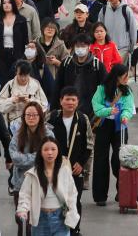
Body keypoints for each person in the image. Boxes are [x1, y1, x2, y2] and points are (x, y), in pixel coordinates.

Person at [46, 87, 92, 230]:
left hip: (74, 169)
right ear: (61, 101)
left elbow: (89, 144)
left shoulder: (83, 120)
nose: (70, 102)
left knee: (75, 200)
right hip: (54, 167)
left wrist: (81, 164)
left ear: (77, 102)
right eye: (67, 99)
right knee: (54, 198)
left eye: (73, 100)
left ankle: (75, 229)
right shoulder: (52, 117)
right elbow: (44, 141)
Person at [90, 63, 135, 206]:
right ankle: (100, 196)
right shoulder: (101, 89)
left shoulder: (126, 91)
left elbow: (129, 107)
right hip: (103, 126)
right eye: (125, 76)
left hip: (119, 127)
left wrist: (125, 115)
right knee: (100, 160)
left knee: (119, 159)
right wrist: (108, 111)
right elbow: (96, 107)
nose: (127, 79)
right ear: (117, 77)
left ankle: (122, 191)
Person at [16, 138, 80, 236]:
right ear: (40, 153)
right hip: (40, 220)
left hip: (61, 219)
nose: (50, 153)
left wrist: (72, 213)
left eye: (53, 149)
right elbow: (25, 194)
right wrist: (23, 210)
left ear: (58, 151)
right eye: (46, 149)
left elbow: (72, 194)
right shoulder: (33, 174)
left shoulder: (65, 171)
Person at [9, 102, 53, 216]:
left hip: (42, 181)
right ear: (24, 117)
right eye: (28, 115)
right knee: (21, 218)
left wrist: (27, 158)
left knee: (39, 218)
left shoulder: (48, 134)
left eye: (34, 115)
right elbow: (15, 158)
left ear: (40, 116)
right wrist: (38, 156)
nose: (31, 118)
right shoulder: (18, 135)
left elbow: (49, 157)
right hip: (20, 181)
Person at [57, 34, 105, 117]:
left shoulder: (97, 65)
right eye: (77, 46)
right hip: (68, 105)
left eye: (83, 46)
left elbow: (104, 86)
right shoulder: (67, 63)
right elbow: (58, 85)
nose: (80, 48)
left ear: (89, 47)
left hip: (90, 108)